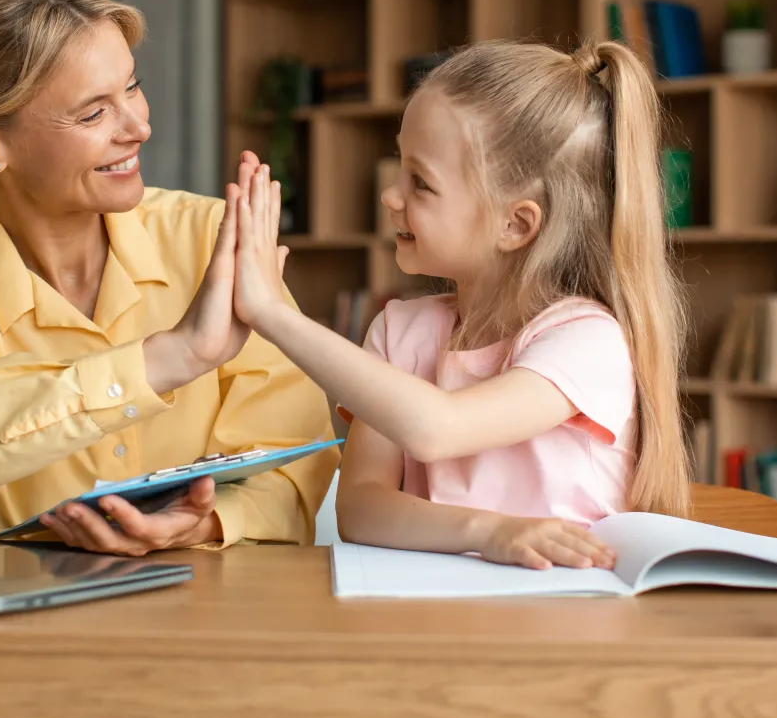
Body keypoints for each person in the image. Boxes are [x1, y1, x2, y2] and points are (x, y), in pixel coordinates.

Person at [0, 0, 338, 555]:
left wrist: (203, 523)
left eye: (131, 86)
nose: (140, 126)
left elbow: (295, 463)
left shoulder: (211, 238)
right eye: (93, 112)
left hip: (210, 619)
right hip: (19, 635)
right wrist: (168, 359)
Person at [225, 38, 689, 571]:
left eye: (420, 183)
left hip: (569, 618)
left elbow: (438, 428)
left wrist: (272, 314)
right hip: (442, 616)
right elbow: (360, 508)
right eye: (399, 165)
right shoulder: (400, 332)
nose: (390, 196)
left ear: (514, 225)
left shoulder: (588, 341)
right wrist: (486, 532)